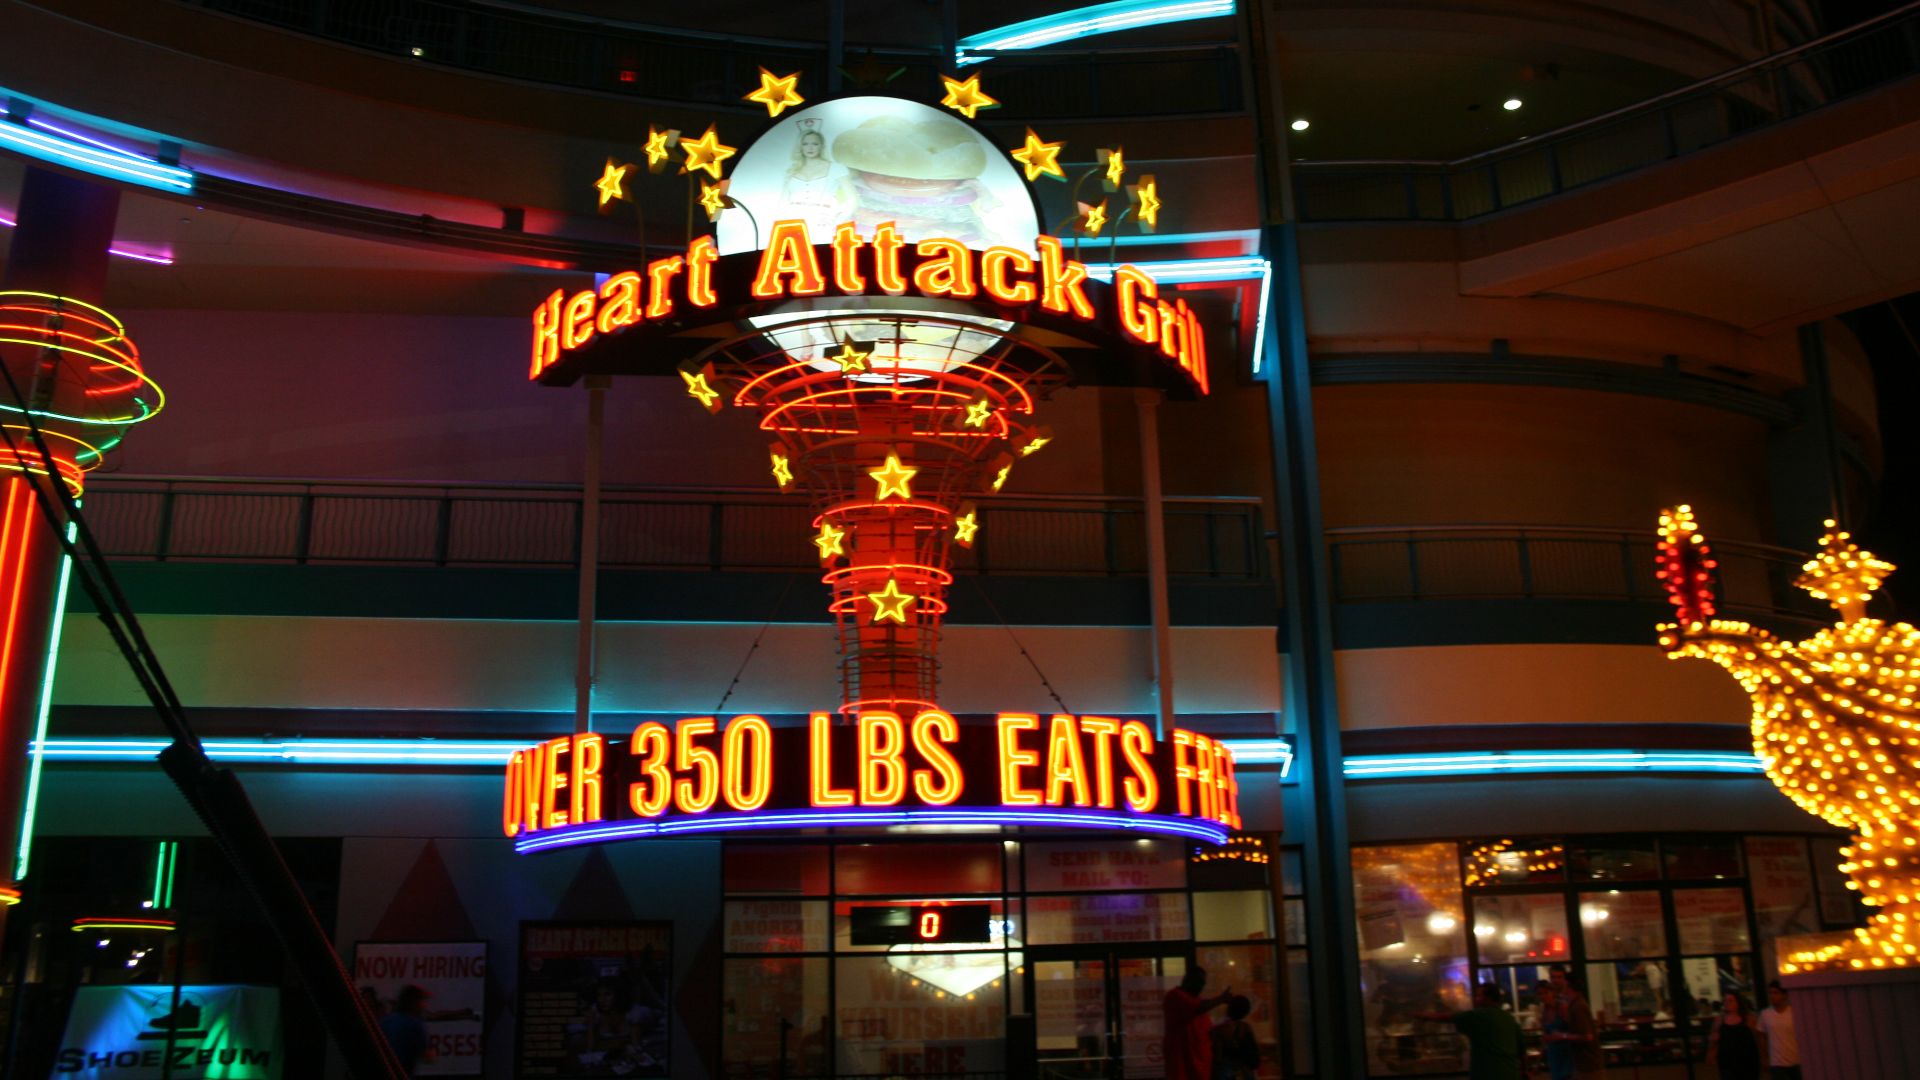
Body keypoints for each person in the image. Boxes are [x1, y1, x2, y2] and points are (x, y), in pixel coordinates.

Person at [1413, 981, 1526, 1080]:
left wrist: (1422, 1016)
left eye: (1478, 995)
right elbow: (1522, 1049)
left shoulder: (1477, 1016)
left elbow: (1446, 1018)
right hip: (1511, 1073)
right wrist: (1524, 1072)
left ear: (1488, 998)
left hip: (1487, 1074)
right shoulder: (1508, 1018)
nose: (1475, 999)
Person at [1164, 966, 1233, 1080]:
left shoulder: (1195, 1000)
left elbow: (1203, 1027)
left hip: (1199, 1067)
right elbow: (1197, 1008)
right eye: (1199, 982)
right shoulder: (1175, 996)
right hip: (1184, 1068)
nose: (1201, 986)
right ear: (1187, 980)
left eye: (1203, 983)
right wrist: (1221, 999)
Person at [378, 984, 435, 1076]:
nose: (425, 1005)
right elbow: (428, 1058)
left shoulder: (386, 1021)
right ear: (414, 1003)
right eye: (423, 1000)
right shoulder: (415, 1024)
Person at [1705, 992, 1761, 1080]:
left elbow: (1758, 1039)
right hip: (1727, 1062)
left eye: (1730, 1001)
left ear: (1738, 1002)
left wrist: (1763, 1056)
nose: (1727, 1003)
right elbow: (1714, 1040)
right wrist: (1711, 1054)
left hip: (1748, 1061)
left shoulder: (1749, 1019)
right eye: (1725, 1001)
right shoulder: (1720, 1021)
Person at [1209, 995, 1260, 1080]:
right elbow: (1254, 1057)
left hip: (1225, 1073)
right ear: (1245, 1012)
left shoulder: (1218, 1029)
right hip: (1244, 1073)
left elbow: (1217, 1058)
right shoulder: (1246, 1028)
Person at [1756, 981, 1800, 1079]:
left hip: (1795, 1060)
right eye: (1770, 993)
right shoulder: (1765, 1014)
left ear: (1784, 995)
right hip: (1776, 1062)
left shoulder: (1793, 1013)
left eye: (1776, 993)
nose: (1772, 996)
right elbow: (1761, 1037)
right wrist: (1764, 1057)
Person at [1537, 983, 1575, 1080]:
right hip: (1553, 1055)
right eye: (1540, 994)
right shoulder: (1544, 1011)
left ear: (1552, 993)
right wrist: (1538, 1062)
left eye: (1546, 993)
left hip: (1566, 1054)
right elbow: (1545, 1037)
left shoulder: (1562, 1008)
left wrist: (1561, 1036)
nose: (1543, 996)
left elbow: (1574, 1030)